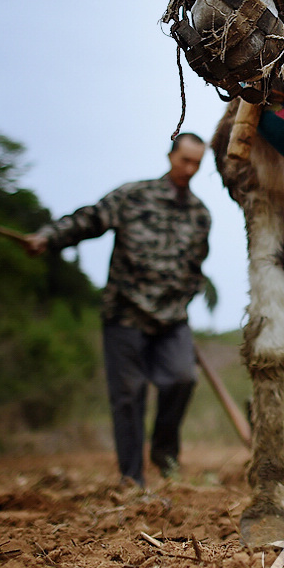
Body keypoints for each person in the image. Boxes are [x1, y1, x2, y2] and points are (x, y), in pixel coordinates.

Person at [24, 133, 211, 486]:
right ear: (171, 155)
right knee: (129, 395)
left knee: (183, 378)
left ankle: (164, 450)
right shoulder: (133, 196)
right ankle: (132, 478)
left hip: (171, 318)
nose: (189, 168)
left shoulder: (200, 214)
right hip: (125, 314)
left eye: (196, 163)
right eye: (184, 160)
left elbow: (196, 266)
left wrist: (184, 295)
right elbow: (90, 220)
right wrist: (49, 237)